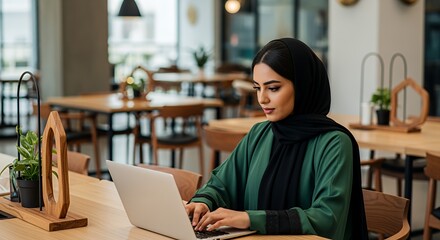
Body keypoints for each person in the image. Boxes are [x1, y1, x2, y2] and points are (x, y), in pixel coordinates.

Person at [185, 38, 368, 239]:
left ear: (302, 86)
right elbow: (223, 184)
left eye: (273, 88)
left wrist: (249, 219)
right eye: (257, 88)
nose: (262, 99)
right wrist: (204, 202)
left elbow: (326, 218)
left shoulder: (334, 143)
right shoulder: (260, 134)